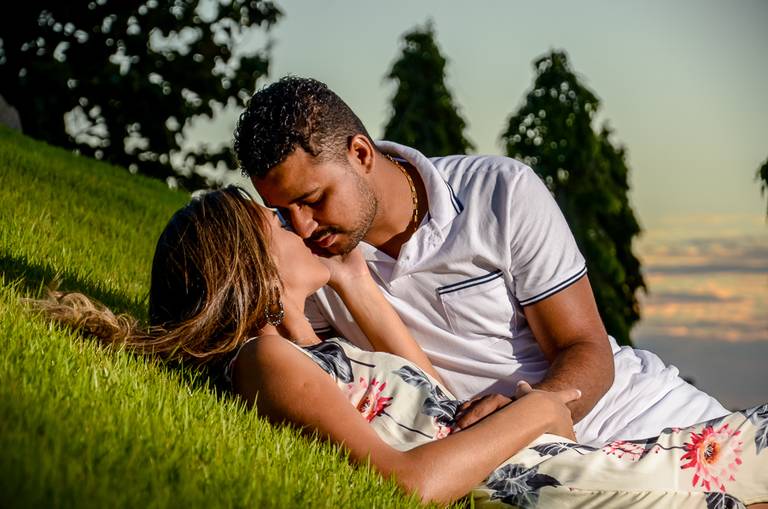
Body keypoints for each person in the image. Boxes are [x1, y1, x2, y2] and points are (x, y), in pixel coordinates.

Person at [36, 187, 768, 507]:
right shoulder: (265, 361)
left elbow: (427, 392)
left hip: (582, 462)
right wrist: (541, 403)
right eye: (281, 230)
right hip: (571, 482)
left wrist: (351, 276)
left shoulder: (306, 342)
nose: (303, 228)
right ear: (252, 267)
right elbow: (407, 481)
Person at [233, 76, 730, 446]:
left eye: (314, 198)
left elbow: (585, 348)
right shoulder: (313, 262)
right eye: (282, 210)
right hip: (529, 462)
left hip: (644, 414)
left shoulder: (501, 192)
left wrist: (523, 412)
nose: (300, 225)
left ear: (361, 154)